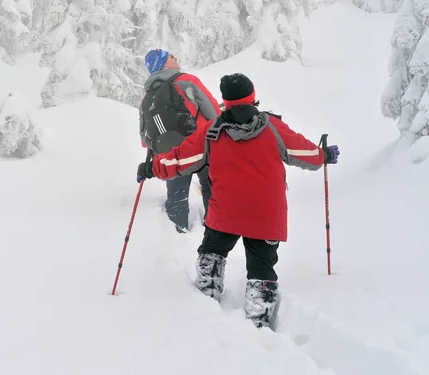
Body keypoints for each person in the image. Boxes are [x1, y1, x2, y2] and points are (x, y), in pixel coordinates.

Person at [139, 73, 340, 328]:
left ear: (226, 100)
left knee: (212, 252)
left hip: (225, 212)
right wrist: (324, 155)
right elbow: (303, 152)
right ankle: (260, 316)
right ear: (252, 96)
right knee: (262, 266)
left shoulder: (211, 131)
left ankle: (206, 300)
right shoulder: (273, 127)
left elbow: (181, 159)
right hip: (266, 215)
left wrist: (152, 167)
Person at [138, 49, 221, 233]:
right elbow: (214, 112)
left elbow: (145, 139)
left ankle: (178, 235)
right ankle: (214, 232)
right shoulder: (186, 81)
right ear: (164, 65)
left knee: (176, 198)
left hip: (171, 155)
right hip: (201, 147)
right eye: (171, 57)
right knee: (211, 188)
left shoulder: (146, 97)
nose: (175, 57)